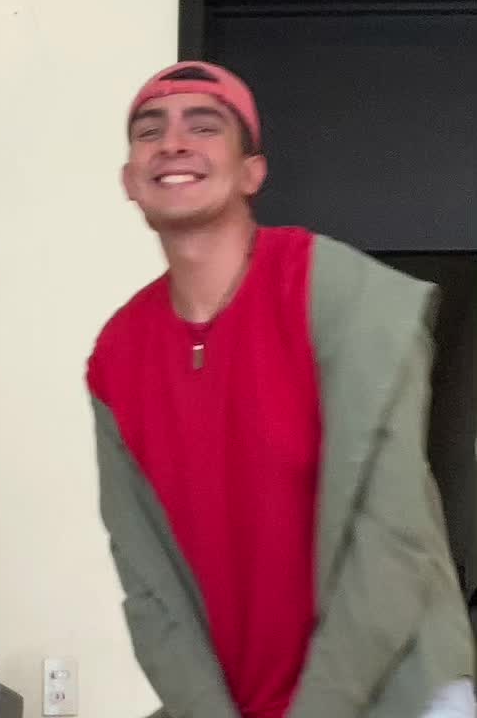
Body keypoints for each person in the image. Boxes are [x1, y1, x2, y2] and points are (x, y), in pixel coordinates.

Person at [85, 61, 475, 718]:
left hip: (399, 690)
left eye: (203, 126)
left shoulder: (345, 296)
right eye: (150, 131)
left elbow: (392, 548)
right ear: (129, 180)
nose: (173, 143)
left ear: (251, 172)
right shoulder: (116, 357)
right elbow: (149, 587)